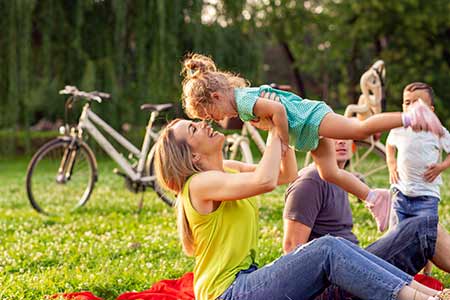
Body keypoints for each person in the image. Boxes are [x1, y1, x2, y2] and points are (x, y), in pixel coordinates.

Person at [153, 118, 446, 300]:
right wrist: (274, 120)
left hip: (246, 281)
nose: (203, 123)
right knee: (327, 248)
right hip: (228, 294)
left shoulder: (226, 169)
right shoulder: (198, 185)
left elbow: (285, 174)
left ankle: (434, 296)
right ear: (190, 155)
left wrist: (283, 126)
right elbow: (265, 180)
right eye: (193, 128)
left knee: (337, 247)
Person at [180, 53, 443, 232]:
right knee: (328, 172)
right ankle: (376, 198)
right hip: (305, 131)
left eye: (207, 114)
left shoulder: (243, 100)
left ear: (215, 97)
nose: (212, 120)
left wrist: (281, 140)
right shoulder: (241, 102)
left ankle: (410, 117)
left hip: (310, 119)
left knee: (359, 129)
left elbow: (279, 111)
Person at [386, 82, 450, 275]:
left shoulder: (437, 131)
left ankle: (425, 274)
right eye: (407, 102)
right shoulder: (398, 128)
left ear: (430, 110)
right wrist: (391, 164)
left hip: (426, 196)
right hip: (401, 192)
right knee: (396, 235)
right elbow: (389, 145)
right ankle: (396, 272)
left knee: (426, 237)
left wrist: (441, 167)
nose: (412, 107)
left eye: (418, 102)